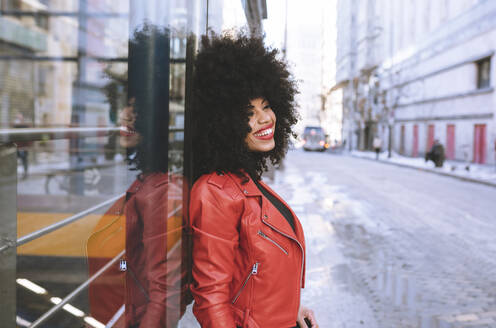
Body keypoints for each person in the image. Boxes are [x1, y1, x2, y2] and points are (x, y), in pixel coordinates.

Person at [189, 32, 319, 328]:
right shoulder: (215, 192)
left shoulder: (245, 181)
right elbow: (211, 299)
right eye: (249, 113)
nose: (265, 119)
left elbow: (252, 279)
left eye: (266, 106)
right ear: (222, 123)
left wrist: (291, 311)